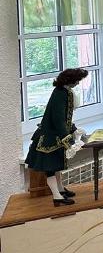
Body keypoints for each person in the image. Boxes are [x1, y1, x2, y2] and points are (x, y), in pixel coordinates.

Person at [25, 68, 88, 206]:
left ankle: (60, 189)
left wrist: (74, 129)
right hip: (49, 138)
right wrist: (68, 139)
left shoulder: (65, 92)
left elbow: (65, 118)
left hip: (56, 136)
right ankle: (56, 196)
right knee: (51, 169)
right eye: (77, 80)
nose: (78, 83)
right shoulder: (60, 94)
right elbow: (58, 119)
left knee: (57, 166)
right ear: (70, 81)